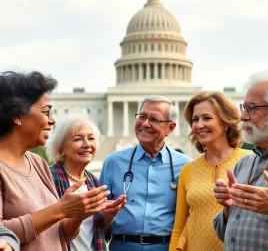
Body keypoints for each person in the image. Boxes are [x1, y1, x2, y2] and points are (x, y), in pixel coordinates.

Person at [0, 71, 109, 251]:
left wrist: (78, 213)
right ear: (17, 115)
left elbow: (58, 235)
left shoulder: (37, 163)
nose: (52, 120)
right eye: (46, 111)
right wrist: (61, 209)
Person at [213, 70, 268, 250]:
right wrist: (229, 208)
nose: (243, 117)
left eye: (252, 108)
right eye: (243, 107)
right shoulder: (245, 162)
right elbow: (225, 236)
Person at [99, 95, 191, 251]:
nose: (145, 124)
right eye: (142, 117)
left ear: (170, 128)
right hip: (122, 246)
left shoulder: (185, 165)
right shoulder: (113, 162)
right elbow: (97, 216)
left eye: (154, 119)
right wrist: (105, 217)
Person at [169, 92, 250, 251]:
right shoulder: (187, 170)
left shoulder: (251, 161)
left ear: (226, 121)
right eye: (195, 119)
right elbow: (179, 228)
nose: (199, 125)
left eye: (207, 118)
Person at [47, 117, 126, 251]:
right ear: (61, 150)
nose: (87, 144)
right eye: (78, 139)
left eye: (91, 138)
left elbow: (98, 232)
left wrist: (107, 218)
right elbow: (46, 230)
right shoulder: (49, 178)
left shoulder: (93, 181)